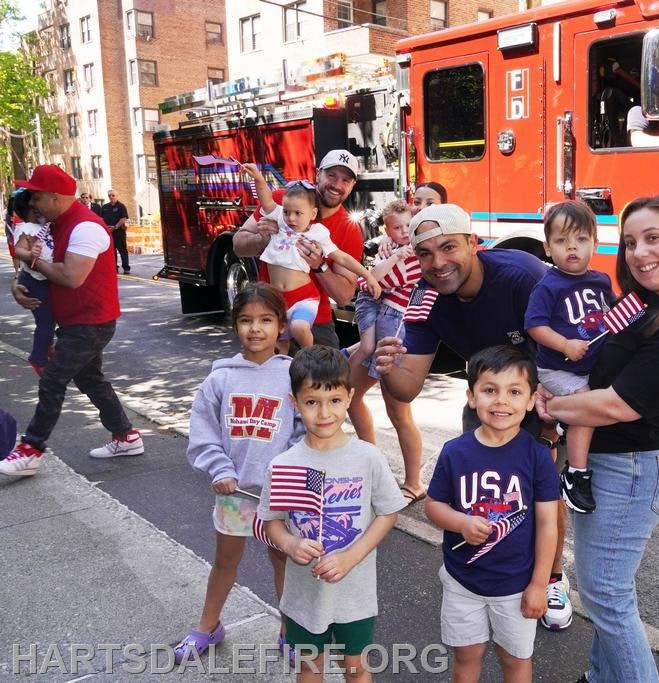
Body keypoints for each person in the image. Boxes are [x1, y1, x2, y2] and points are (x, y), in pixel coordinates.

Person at [536, 195, 659, 683]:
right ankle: (600, 677)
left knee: (606, 595)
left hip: (637, 466)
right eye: (632, 242)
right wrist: (543, 380)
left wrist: (550, 407)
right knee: (604, 588)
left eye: (653, 238)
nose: (639, 253)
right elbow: (590, 347)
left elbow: (617, 404)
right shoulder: (636, 301)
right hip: (608, 460)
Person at [373, 203, 576, 631]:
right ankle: (488, 572)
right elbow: (407, 387)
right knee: (483, 491)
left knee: (544, 494)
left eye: (448, 247)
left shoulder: (521, 275)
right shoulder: (426, 298)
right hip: (484, 401)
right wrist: (388, 369)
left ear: (473, 243)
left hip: (543, 393)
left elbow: (570, 342)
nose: (437, 263)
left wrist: (552, 411)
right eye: (424, 253)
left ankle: (552, 578)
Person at [256, 345, 405, 683]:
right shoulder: (284, 465)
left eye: (334, 401)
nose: (324, 413)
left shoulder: (368, 458)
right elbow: (272, 521)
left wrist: (351, 557)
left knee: (355, 667)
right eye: (312, 402)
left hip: (355, 593)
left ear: (350, 397)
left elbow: (388, 513)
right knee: (309, 667)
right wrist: (291, 545)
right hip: (303, 595)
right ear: (294, 402)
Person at [175, 283, 298, 663]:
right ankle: (208, 627)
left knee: (283, 563)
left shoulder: (294, 375)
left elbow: (307, 427)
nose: (255, 328)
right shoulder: (220, 379)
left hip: (280, 496)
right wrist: (219, 468)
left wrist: (290, 470)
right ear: (234, 325)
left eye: (265, 319)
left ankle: (288, 631)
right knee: (226, 561)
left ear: (281, 325)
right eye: (246, 320)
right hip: (235, 496)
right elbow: (203, 431)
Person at [424, 345, 559, 683]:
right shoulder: (455, 452)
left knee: (514, 660)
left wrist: (540, 584)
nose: (501, 401)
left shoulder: (538, 457)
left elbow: (547, 524)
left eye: (514, 392)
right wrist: (461, 522)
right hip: (462, 582)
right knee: (467, 657)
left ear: (530, 401)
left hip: (517, 584)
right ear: (471, 397)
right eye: (489, 390)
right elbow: (433, 505)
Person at [1, 165, 144, 478]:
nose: (32, 202)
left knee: (53, 378)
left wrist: (31, 259)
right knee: (90, 379)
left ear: (54, 197)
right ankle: (126, 435)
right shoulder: (56, 224)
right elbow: (41, 268)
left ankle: (31, 449)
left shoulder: (86, 227)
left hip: (90, 322)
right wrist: (19, 282)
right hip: (78, 320)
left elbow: (70, 276)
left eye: (36, 196)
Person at [525, 201, 612, 514]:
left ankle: (565, 420)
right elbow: (534, 326)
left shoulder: (601, 281)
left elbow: (609, 316)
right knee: (586, 403)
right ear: (548, 248)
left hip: (589, 366)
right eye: (562, 241)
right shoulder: (549, 285)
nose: (572, 247)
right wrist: (563, 344)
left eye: (581, 240)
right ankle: (575, 474)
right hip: (557, 369)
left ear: (595, 243)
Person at [233, 149, 367, 349]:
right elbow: (238, 245)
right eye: (331, 175)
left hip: (314, 321)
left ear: (352, 185)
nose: (337, 185)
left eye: (345, 180)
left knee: (325, 378)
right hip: (268, 313)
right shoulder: (282, 201)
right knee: (266, 379)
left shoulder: (350, 230)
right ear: (318, 173)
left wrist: (319, 266)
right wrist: (262, 239)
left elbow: (344, 296)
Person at [346, 200, 426, 504]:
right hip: (388, 322)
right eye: (397, 227)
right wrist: (388, 254)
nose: (404, 232)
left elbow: (372, 282)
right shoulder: (398, 249)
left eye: (408, 225)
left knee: (398, 412)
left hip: (395, 325)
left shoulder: (413, 258)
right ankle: (376, 471)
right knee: (355, 397)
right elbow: (370, 281)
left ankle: (413, 483)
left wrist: (385, 262)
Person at [9, 188, 57, 375]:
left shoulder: (46, 226)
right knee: (46, 321)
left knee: (51, 319)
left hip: (46, 278)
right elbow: (19, 250)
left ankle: (47, 346)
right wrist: (29, 254)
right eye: (33, 207)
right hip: (34, 280)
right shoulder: (26, 228)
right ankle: (38, 358)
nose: (38, 209)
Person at [99, 188, 130, 273]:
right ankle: (114, 268)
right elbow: (101, 218)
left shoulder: (121, 206)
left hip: (119, 232)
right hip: (108, 232)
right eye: (110, 195)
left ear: (117, 196)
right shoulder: (105, 207)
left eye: (113, 195)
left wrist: (115, 227)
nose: (111, 197)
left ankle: (126, 268)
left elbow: (123, 218)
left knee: (122, 250)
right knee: (111, 252)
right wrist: (105, 227)